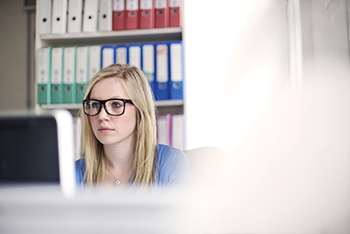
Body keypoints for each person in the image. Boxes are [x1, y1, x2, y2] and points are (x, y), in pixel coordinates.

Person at [75, 63, 191, 193]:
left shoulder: (171, 162)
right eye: (95, 105)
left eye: (116, 104)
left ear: (140, 110)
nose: (102, 116)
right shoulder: (74, 173)